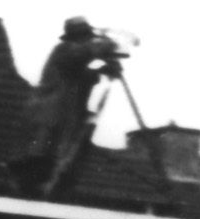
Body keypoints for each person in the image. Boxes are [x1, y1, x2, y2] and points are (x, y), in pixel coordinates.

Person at [10, 16, 123, 196]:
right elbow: (79, 56)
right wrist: (106, 45)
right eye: (86, 36)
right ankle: (34, 181)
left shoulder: (75, 58)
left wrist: (106, 67)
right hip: (49, 110)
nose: (88, 40)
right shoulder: (64, 50)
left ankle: (43, 182)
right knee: (41, 152)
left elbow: (83, 73)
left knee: (57, 155)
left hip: (62, 114)